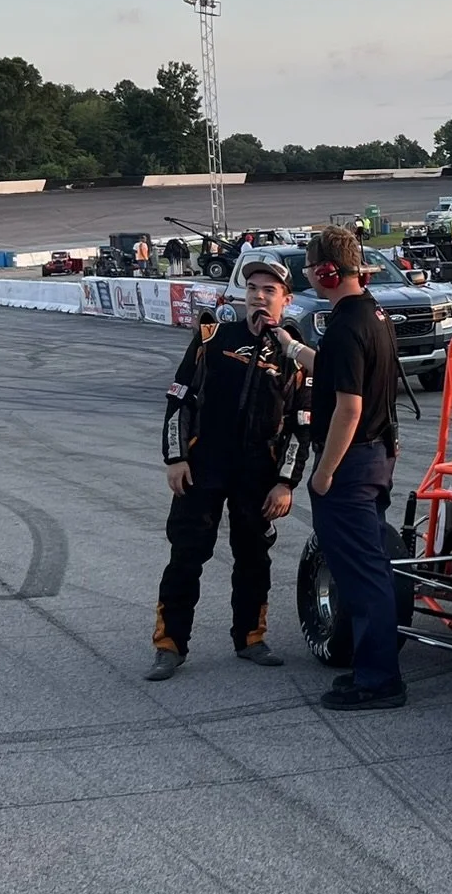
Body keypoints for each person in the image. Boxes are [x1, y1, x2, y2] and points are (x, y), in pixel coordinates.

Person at [149, 255, 310, 681]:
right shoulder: (212, 335)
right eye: (253, 289)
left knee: (254, 557)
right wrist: (176, 457)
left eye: (269, 291)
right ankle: (169, 645)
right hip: (204, 465)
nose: (259, 296)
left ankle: (251, 638)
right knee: (186, 554)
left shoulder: (296, 355)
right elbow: (178, 398)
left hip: (259, 472)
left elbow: (301, 426)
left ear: (285, 300)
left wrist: (285, 482)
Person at [299, 225, 406, 710]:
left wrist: (323, 472)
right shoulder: (377, 316)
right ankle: (369, 667)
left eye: (309, 267)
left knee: (363, 577)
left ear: (326, 272)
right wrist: (295, 350)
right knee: (369, 568)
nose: (306, 275)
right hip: (377, 455)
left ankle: (380, 681)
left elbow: (349, 407)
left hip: (350, 463)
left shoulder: (343, 326)